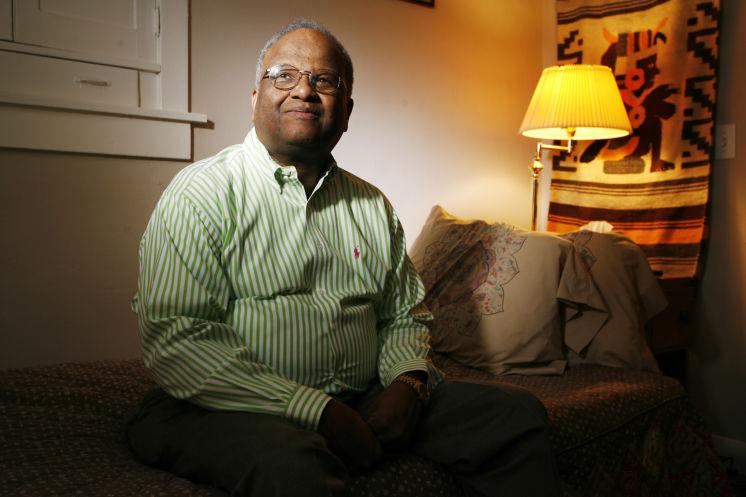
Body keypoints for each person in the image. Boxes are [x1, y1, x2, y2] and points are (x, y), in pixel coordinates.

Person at [127, 19, 562, 497]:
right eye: (284, 76)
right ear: (254, 99)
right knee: (293, 465)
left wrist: (408, 383)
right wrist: (318, 411)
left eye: (325, 80)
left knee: (516, 415)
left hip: (360, 395)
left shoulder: (372, 205)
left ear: (347, 110)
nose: (304, 91)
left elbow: (404, 316)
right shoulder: (201, 194)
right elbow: (178, 339)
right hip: (229, 405)